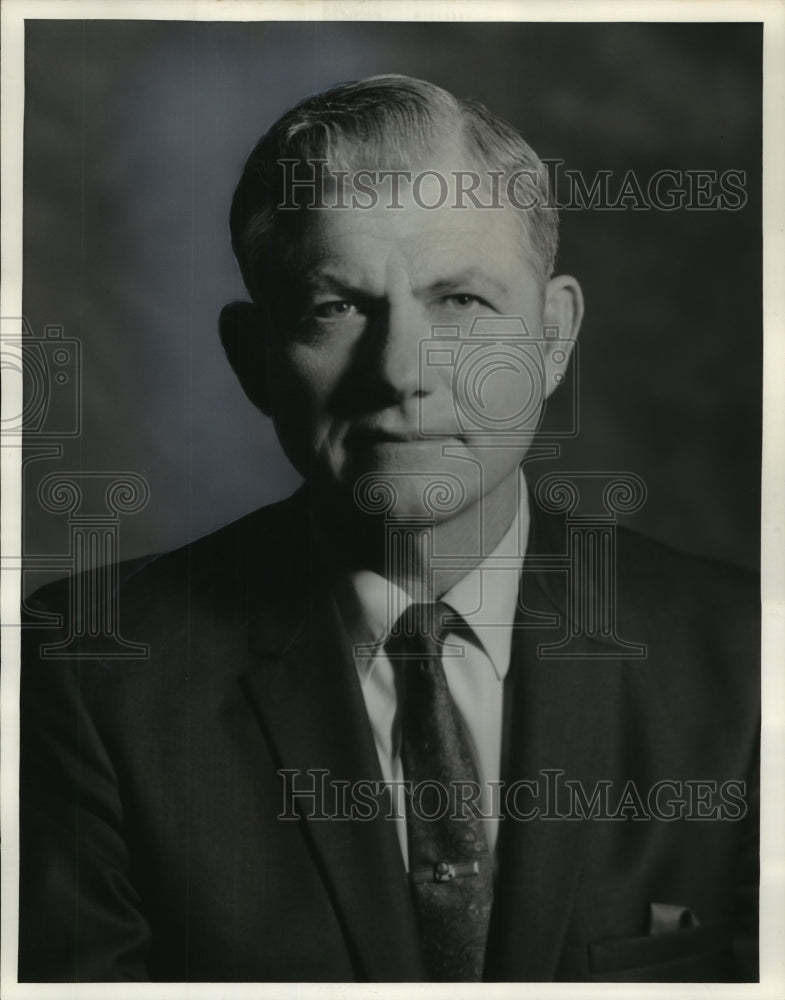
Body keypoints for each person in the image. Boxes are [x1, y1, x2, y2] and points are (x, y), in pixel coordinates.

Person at [19, 75, 759, 983]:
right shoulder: (88, 676)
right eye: (335, 307)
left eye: (460, 303)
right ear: (254, 359)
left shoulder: (750, 661)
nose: (402, 371)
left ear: (554, 336)